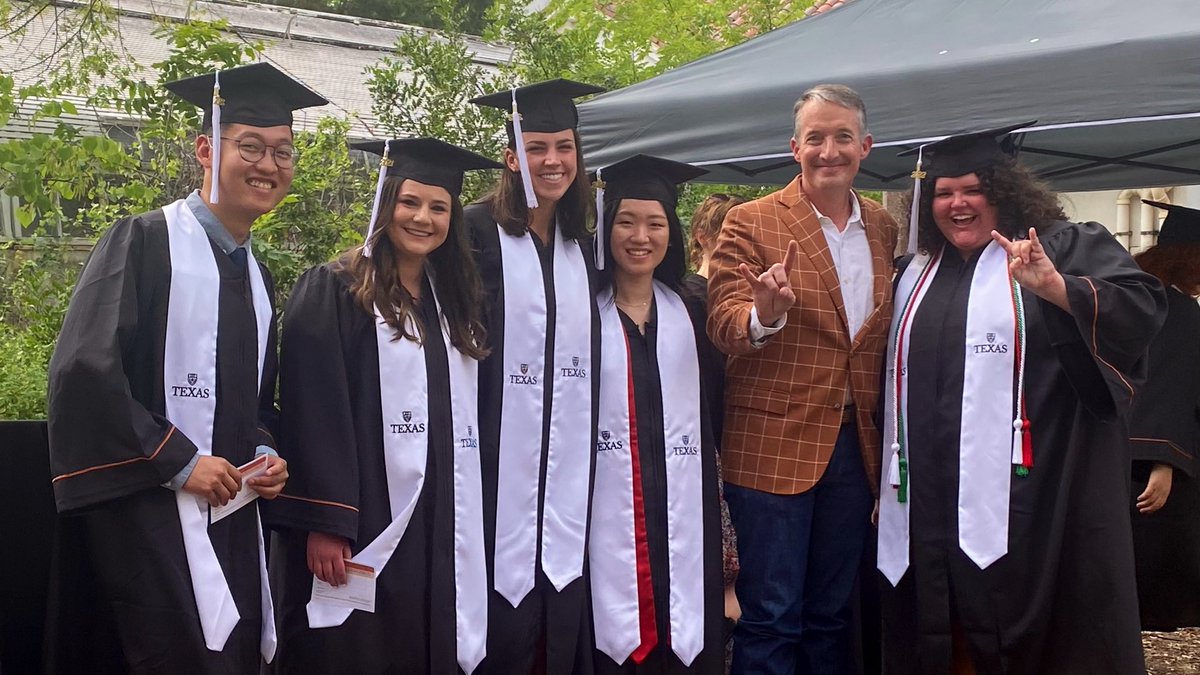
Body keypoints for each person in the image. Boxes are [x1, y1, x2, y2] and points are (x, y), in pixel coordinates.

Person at [44, 62, 325, 673]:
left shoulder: (257, 277)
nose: (268, 166)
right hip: (148, 519)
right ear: (206, 148)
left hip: (230, 513)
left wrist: (266, 452)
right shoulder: (142, 242)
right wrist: (178, 462)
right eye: (250, 146)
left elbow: (255, 401)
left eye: (282, 152)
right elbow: (83, 375)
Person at [876, 123, 1166, 675]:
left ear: (1003, 192)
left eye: (972, 189)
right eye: (942, 192)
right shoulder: (915, 273)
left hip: (1040, 500)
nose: (957, 203)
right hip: (932, 499)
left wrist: (1057, 289)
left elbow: (1142, 309)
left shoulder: (1062, 245)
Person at [264, 139, 499, 674]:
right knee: (359, 648)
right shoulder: (337, 289)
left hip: (438, 516)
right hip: (363, 516)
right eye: (410, 202)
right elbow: (311, 410)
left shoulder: (451, 300)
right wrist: (327, 521)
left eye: (439, 208)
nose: (423, 218)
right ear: (384, 204)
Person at [706, 83, 897, 675]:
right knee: (771, 615)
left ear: (865, 146)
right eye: (816, 137)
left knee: (830, 616)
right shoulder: (752, 220)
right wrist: (764, 315)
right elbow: (723, 319)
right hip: (772, 447)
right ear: (795, 147)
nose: (829, 150)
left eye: (842, 137)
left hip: (855, 449)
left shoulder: (887, 229)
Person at [467, 79, 604, 674]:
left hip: (568, 454)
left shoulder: (583, 245)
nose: (552, 161)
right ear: (510, 156)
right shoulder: (474, 232)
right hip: (495, 452)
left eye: (564, 147)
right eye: (537, 147)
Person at [589, 155, 724, 674]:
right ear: (606, 228)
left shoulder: (695, 307)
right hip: (604, 511)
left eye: (655, 222)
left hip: (684, 505)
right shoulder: (580, 311)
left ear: (673, 231)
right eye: (626, 221)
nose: (640, 236)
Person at [1128, 199, 1200, 631]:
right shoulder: (1178, 312)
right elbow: (1169, 386)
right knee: (1154, 565)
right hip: (1155, 466)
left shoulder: (1138, 299)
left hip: (1121, 451)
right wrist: (1165, 459)